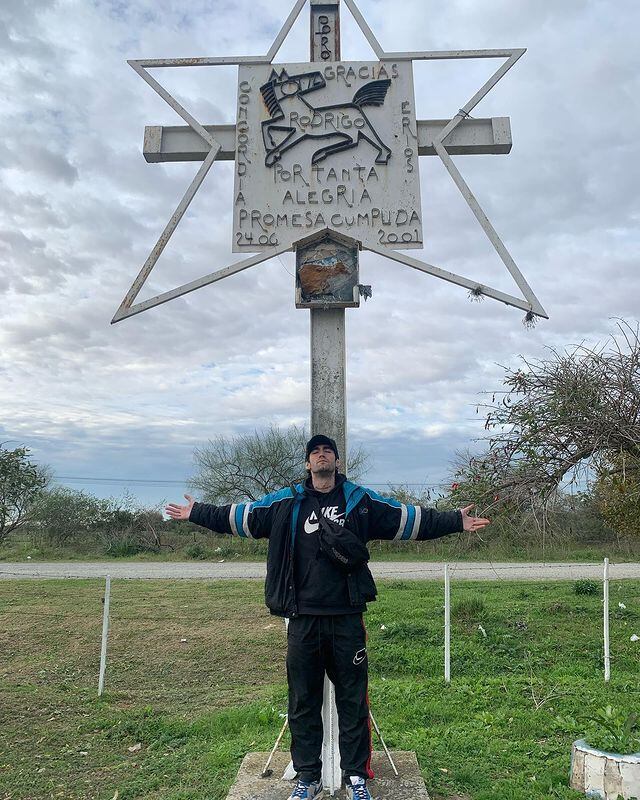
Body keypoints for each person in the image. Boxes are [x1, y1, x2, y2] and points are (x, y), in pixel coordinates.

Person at [166, 434, 490, 800]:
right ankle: (308, 777)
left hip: (346, 615)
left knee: (352, 700)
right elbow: (241, 516)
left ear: (336, 461)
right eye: (315, 452)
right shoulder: (285, 502)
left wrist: (453, 521)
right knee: (303, 700)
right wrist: (197, 512)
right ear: (308, 463)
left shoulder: (360, 501)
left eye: (328, 451)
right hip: (302, 618)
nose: (321, 455)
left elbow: (406, 519)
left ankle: (355, 778)